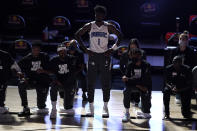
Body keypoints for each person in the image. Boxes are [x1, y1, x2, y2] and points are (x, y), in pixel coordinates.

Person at [75, 5, 122, 117]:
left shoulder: (108, 26)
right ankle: (90, 108)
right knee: (90, 83)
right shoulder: (90, 25)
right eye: (96, 14)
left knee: (105, 83)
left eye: (100, 14)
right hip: (93, 56)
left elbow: (120, 36)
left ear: (104, 15)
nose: (98, 16)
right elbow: (77, 35)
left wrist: (112, 49)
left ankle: (105, 107)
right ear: (94, 14)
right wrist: (85, 49)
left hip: (105, 56)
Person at [17, 41, 51, 117]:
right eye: (34, 50)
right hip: (31, 81)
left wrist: (43, 71)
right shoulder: (27, 58)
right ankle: (25, 107)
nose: (35, 51)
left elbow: (52, 70)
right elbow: (16, 67)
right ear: (31, 49)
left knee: (41, 107)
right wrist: (22, 76)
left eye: (37, 50)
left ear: (40, 50)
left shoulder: (45, 57)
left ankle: (41, 105)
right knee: (21, 84)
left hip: (43, 82)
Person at [49, 44, 79, 119]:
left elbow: (75, 72)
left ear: (66, 51)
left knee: (68, 108)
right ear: (58, 52)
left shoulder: (72, 59)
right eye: (60, 52)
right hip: (59, 82)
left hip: (69, 83)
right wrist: (56, 80)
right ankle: (53, 109)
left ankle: (67, 103)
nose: (62, 53)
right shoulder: (53, 60)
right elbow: (52, 72)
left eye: (64, 51)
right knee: (53, 87)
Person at [122, 48, 152, 122]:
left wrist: (130, 80)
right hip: (136, 85)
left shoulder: (146, 65)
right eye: (132, 56)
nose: (133, 58)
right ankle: (127, 113)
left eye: (136, 56)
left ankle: (146, 111)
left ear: (140, 56)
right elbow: (126, 80)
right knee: (126, 90)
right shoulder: (129, 64)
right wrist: (127, 79)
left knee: (146, 91)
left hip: (143, 85)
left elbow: (145, 80)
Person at [171, 33, 197, 104]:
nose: (182, 41)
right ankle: (178, 95)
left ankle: (189, 93)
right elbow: (171, 62)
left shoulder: (190, 51)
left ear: (187, 41)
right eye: (181, 39)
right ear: (179, 40)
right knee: (177, 74)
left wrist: (186, 68)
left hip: (188, 69)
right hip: (177, 69)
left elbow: (194, 63)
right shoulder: (174, 51)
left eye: (184, 39)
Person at [120, 38, 146, 107]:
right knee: (129, 87)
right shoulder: (125, 53)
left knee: (138, 84)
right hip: (128, 73)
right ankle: (130, 99)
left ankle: (137, 99)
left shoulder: (142, 53)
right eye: (131, 45)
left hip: (138, 73)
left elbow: (144, 64)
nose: (133, 46)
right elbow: (121, 65)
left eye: (134, 45)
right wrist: (124, 74)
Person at [0, 50, 21, 114]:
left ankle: (1, 106)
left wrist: (18, 72)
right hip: (3, 78)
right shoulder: (5, 54)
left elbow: (13, 65)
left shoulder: (5, 54)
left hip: (2, 78)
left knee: (1, 90)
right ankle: (1, 107)